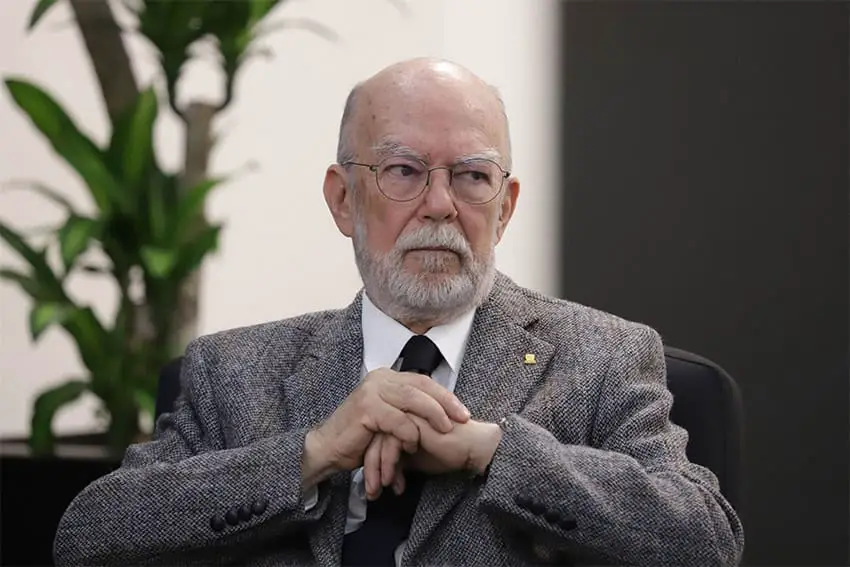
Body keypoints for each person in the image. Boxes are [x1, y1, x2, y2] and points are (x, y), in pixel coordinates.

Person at [53, 58, 744, 566]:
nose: (440, 204)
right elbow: (89, 535)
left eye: (471, 176)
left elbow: (705, 539)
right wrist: (312, 452)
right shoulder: (233, 372)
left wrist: (494, 452)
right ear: (343, 199)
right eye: (404, 171)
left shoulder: (602, 358)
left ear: (504, 206)